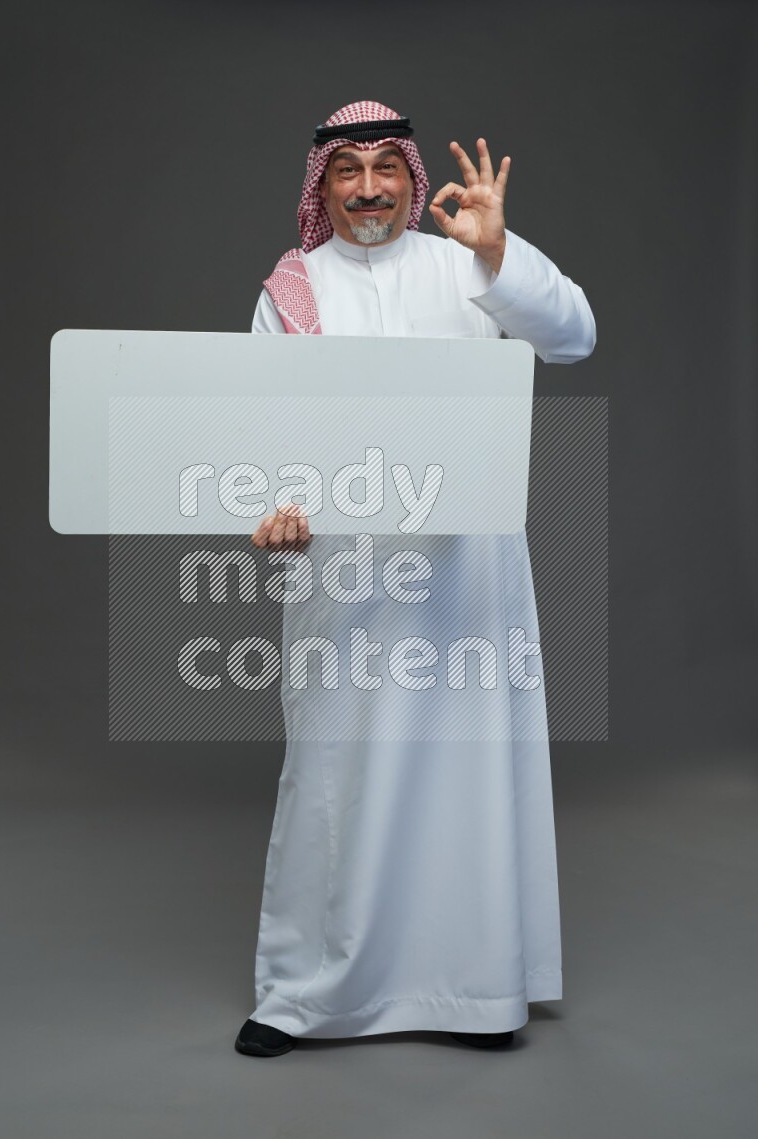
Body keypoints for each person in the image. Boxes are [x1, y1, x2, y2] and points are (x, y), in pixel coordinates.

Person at [235, 100, 596, 1058]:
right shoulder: (293, 288)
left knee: (464, 774)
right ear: (324, 184)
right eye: (345, 169)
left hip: (464, 581)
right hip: (341, 582)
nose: (366, 188)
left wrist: (499, 250)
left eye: (382, 167)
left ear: (409, 173)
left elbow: (574, 337)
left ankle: (474, 992)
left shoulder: (470, 265)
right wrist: (267, 508)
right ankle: (303, 993)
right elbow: (259, 434)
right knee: (331, 780)